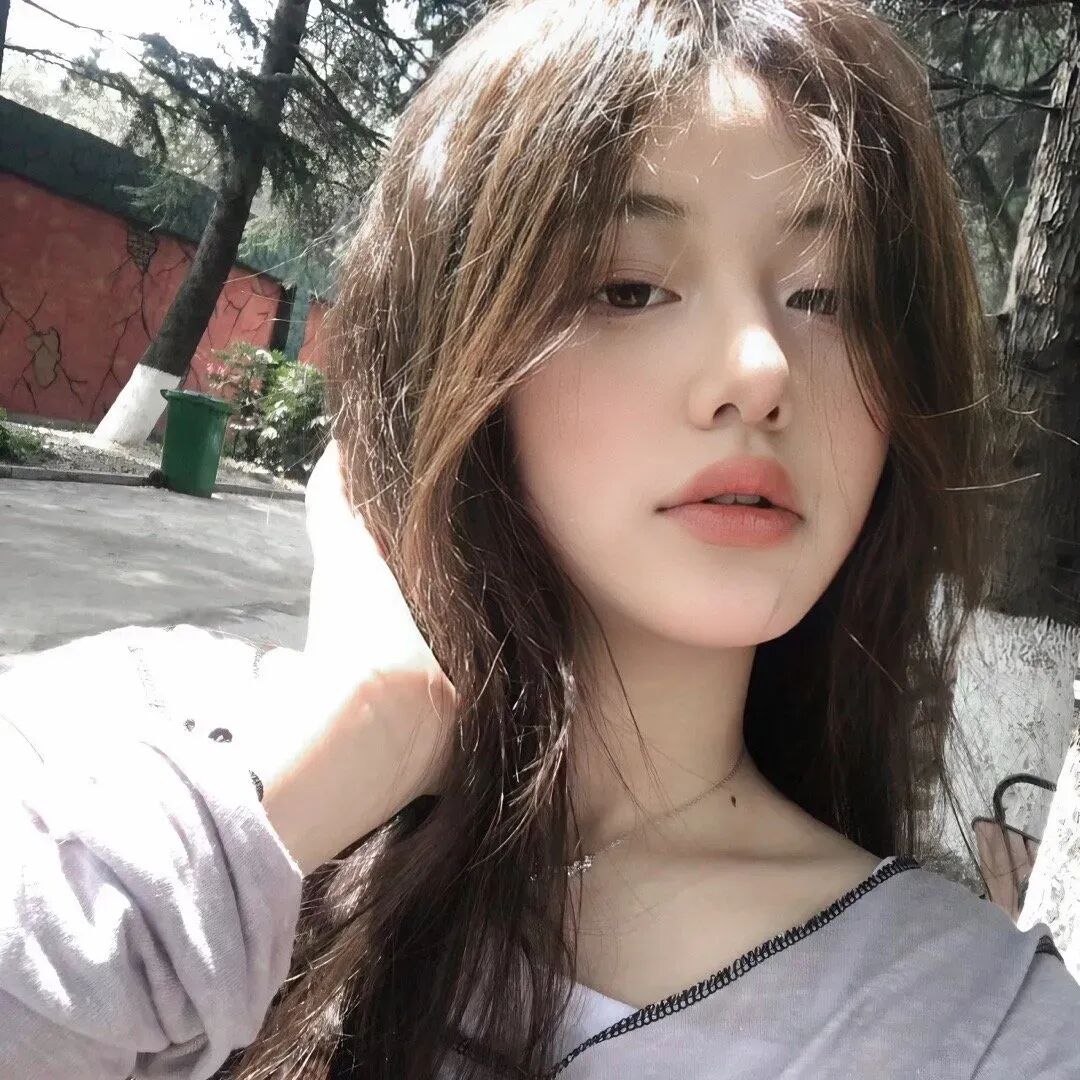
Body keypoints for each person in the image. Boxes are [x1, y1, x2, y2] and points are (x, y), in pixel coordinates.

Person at [1, 0, 1078, 1077]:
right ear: (455, 338)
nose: (762, 368)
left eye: (827, 297)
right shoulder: (118, 746)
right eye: (630, 288)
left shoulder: (988, 1030)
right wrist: (363, 734)